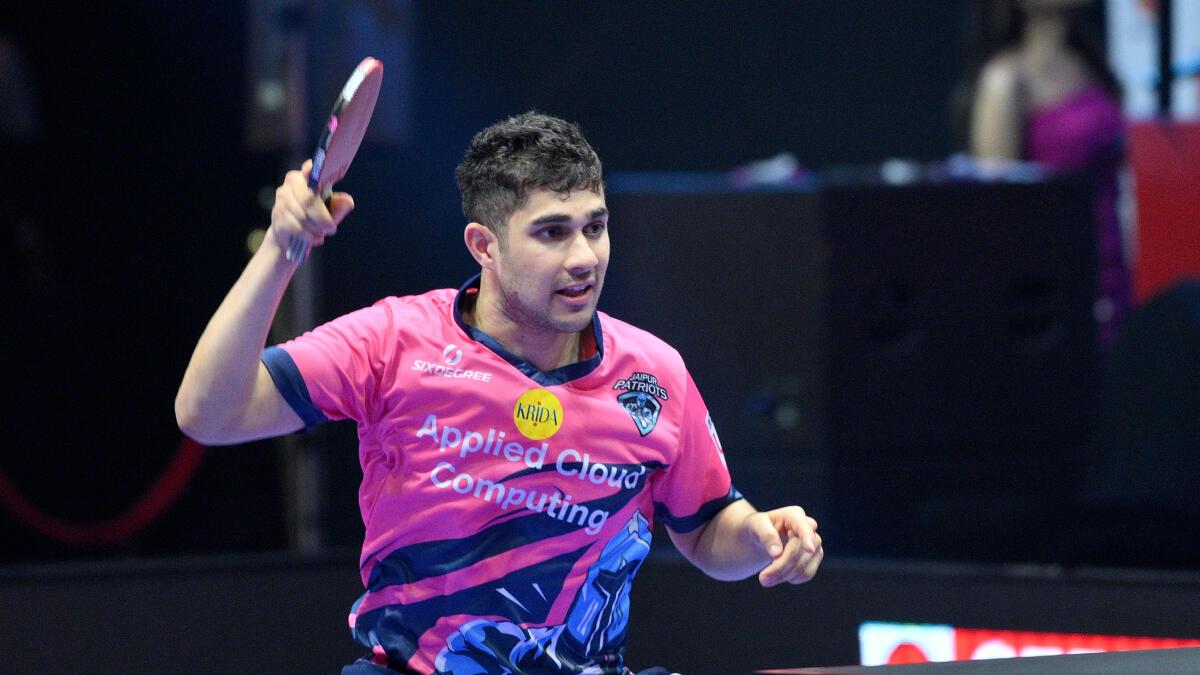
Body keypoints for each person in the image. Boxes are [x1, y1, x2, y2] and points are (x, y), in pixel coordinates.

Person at [175, 112, 823, 675]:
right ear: (484, 245)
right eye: (552, 232)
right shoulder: (393, 340)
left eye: (595, 227)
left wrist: (760, 534)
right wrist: (282, 248)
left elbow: (707, 530)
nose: (584, 257)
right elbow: (210, 413)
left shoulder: (652, 374)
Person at [961, 0, 1131, 348]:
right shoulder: (1006, 79)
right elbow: (994, 213)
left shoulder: (1090, 67)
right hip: (1057, 283)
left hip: (1113, 268)